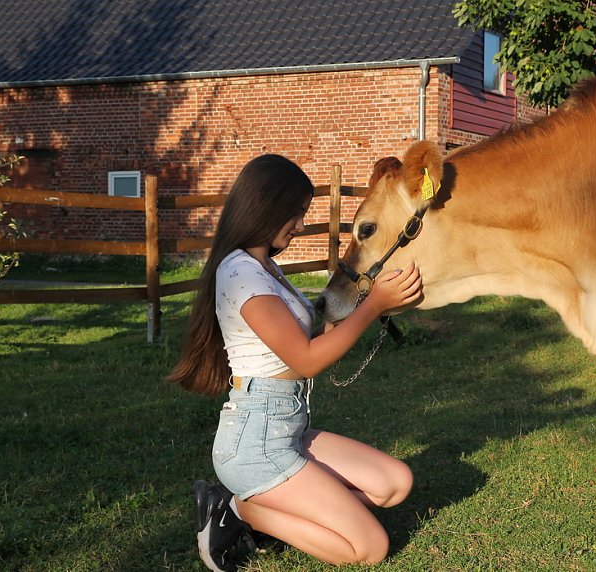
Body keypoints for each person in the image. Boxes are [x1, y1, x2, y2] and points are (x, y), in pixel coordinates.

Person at [167, 154, 423, 571]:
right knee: (370, 548)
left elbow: (303, 342)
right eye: (297, 213)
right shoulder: (240, 272)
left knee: (394, 485)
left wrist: (368, 301)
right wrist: (374, 305)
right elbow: (304, 361)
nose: (301, 225)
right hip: (255, 445)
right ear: (268, 205)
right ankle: (235, 510)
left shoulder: (266, 267)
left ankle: (275, 510)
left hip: (288, 428)